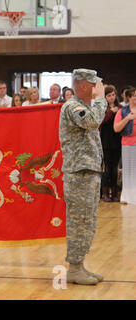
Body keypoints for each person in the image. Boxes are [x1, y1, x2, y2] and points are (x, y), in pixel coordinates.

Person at [59, 68, 107, 285]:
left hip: (88, 172)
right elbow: (92, 122)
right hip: (79, 174)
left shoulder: (85, 106)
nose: (99, 87)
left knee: (87, 221)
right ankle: (74, 268)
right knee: (79, 221)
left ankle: (80, 266)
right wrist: (100, 100)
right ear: (84, 85)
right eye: (94, 84)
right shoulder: (73, 106)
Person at [113, 87, 136, 205]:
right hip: (127, 143)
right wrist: (127, 118)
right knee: (127, 170)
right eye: (134, 96)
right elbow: (116, 128)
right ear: (129, 98)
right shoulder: (122, 111)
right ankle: (127, 196)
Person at [99, 85, 122, 202]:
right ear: (105, 97)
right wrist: (111, 113)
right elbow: (100, 122)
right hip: (105, 142)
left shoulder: (120, 107)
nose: (111, 97)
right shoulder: (102, 108)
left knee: (115, 169)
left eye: (113, 95)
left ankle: (115, 193)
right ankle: (105, 193)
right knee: (106, 168)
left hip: (117, 142)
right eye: (109, 95)